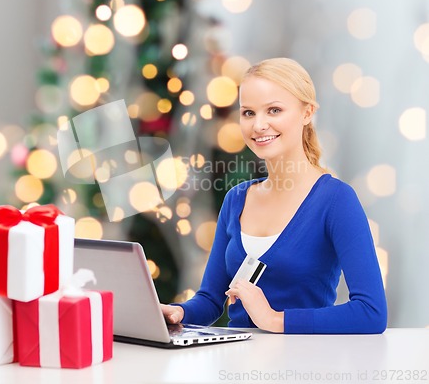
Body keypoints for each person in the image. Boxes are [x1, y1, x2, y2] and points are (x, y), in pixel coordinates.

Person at [161, 57, 387, 334]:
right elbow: (210, 301)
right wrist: (179, 312)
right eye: (248, 113)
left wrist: (273, 319)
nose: (258, 125)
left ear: (307, 113)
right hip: (238, 367)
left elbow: (371, 313)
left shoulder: (336, 200)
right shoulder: (237, 199)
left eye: (274, 110)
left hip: (303, 366)